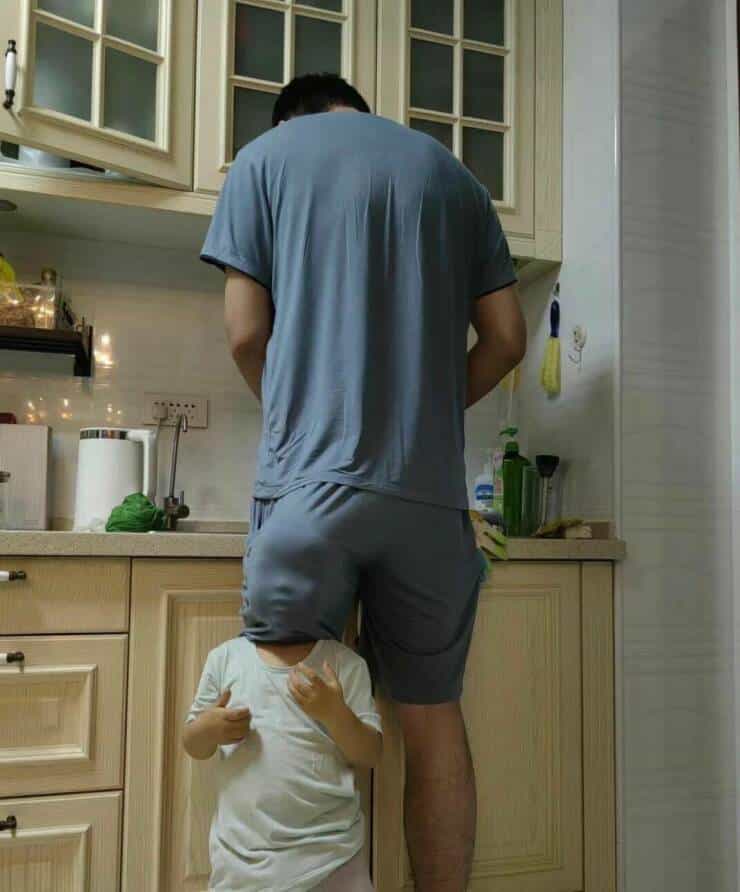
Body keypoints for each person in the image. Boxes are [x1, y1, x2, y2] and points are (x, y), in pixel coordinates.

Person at [201, 73, 527, 891]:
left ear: (289, 120)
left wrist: (296, 418)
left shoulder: (264, 159)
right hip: (427, 503)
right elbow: (507, 339)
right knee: (432, 724)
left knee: (286, 709)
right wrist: (425, 416)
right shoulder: (455, 177)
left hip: (308, 494)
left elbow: (244, 335)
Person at [184, 636, 381, 891]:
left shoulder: (346, 664)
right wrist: (207, 730)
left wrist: (336, 715)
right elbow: (193, 744)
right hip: (242, 865)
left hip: (332, 859)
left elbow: (370, 754)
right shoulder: (224, 658)